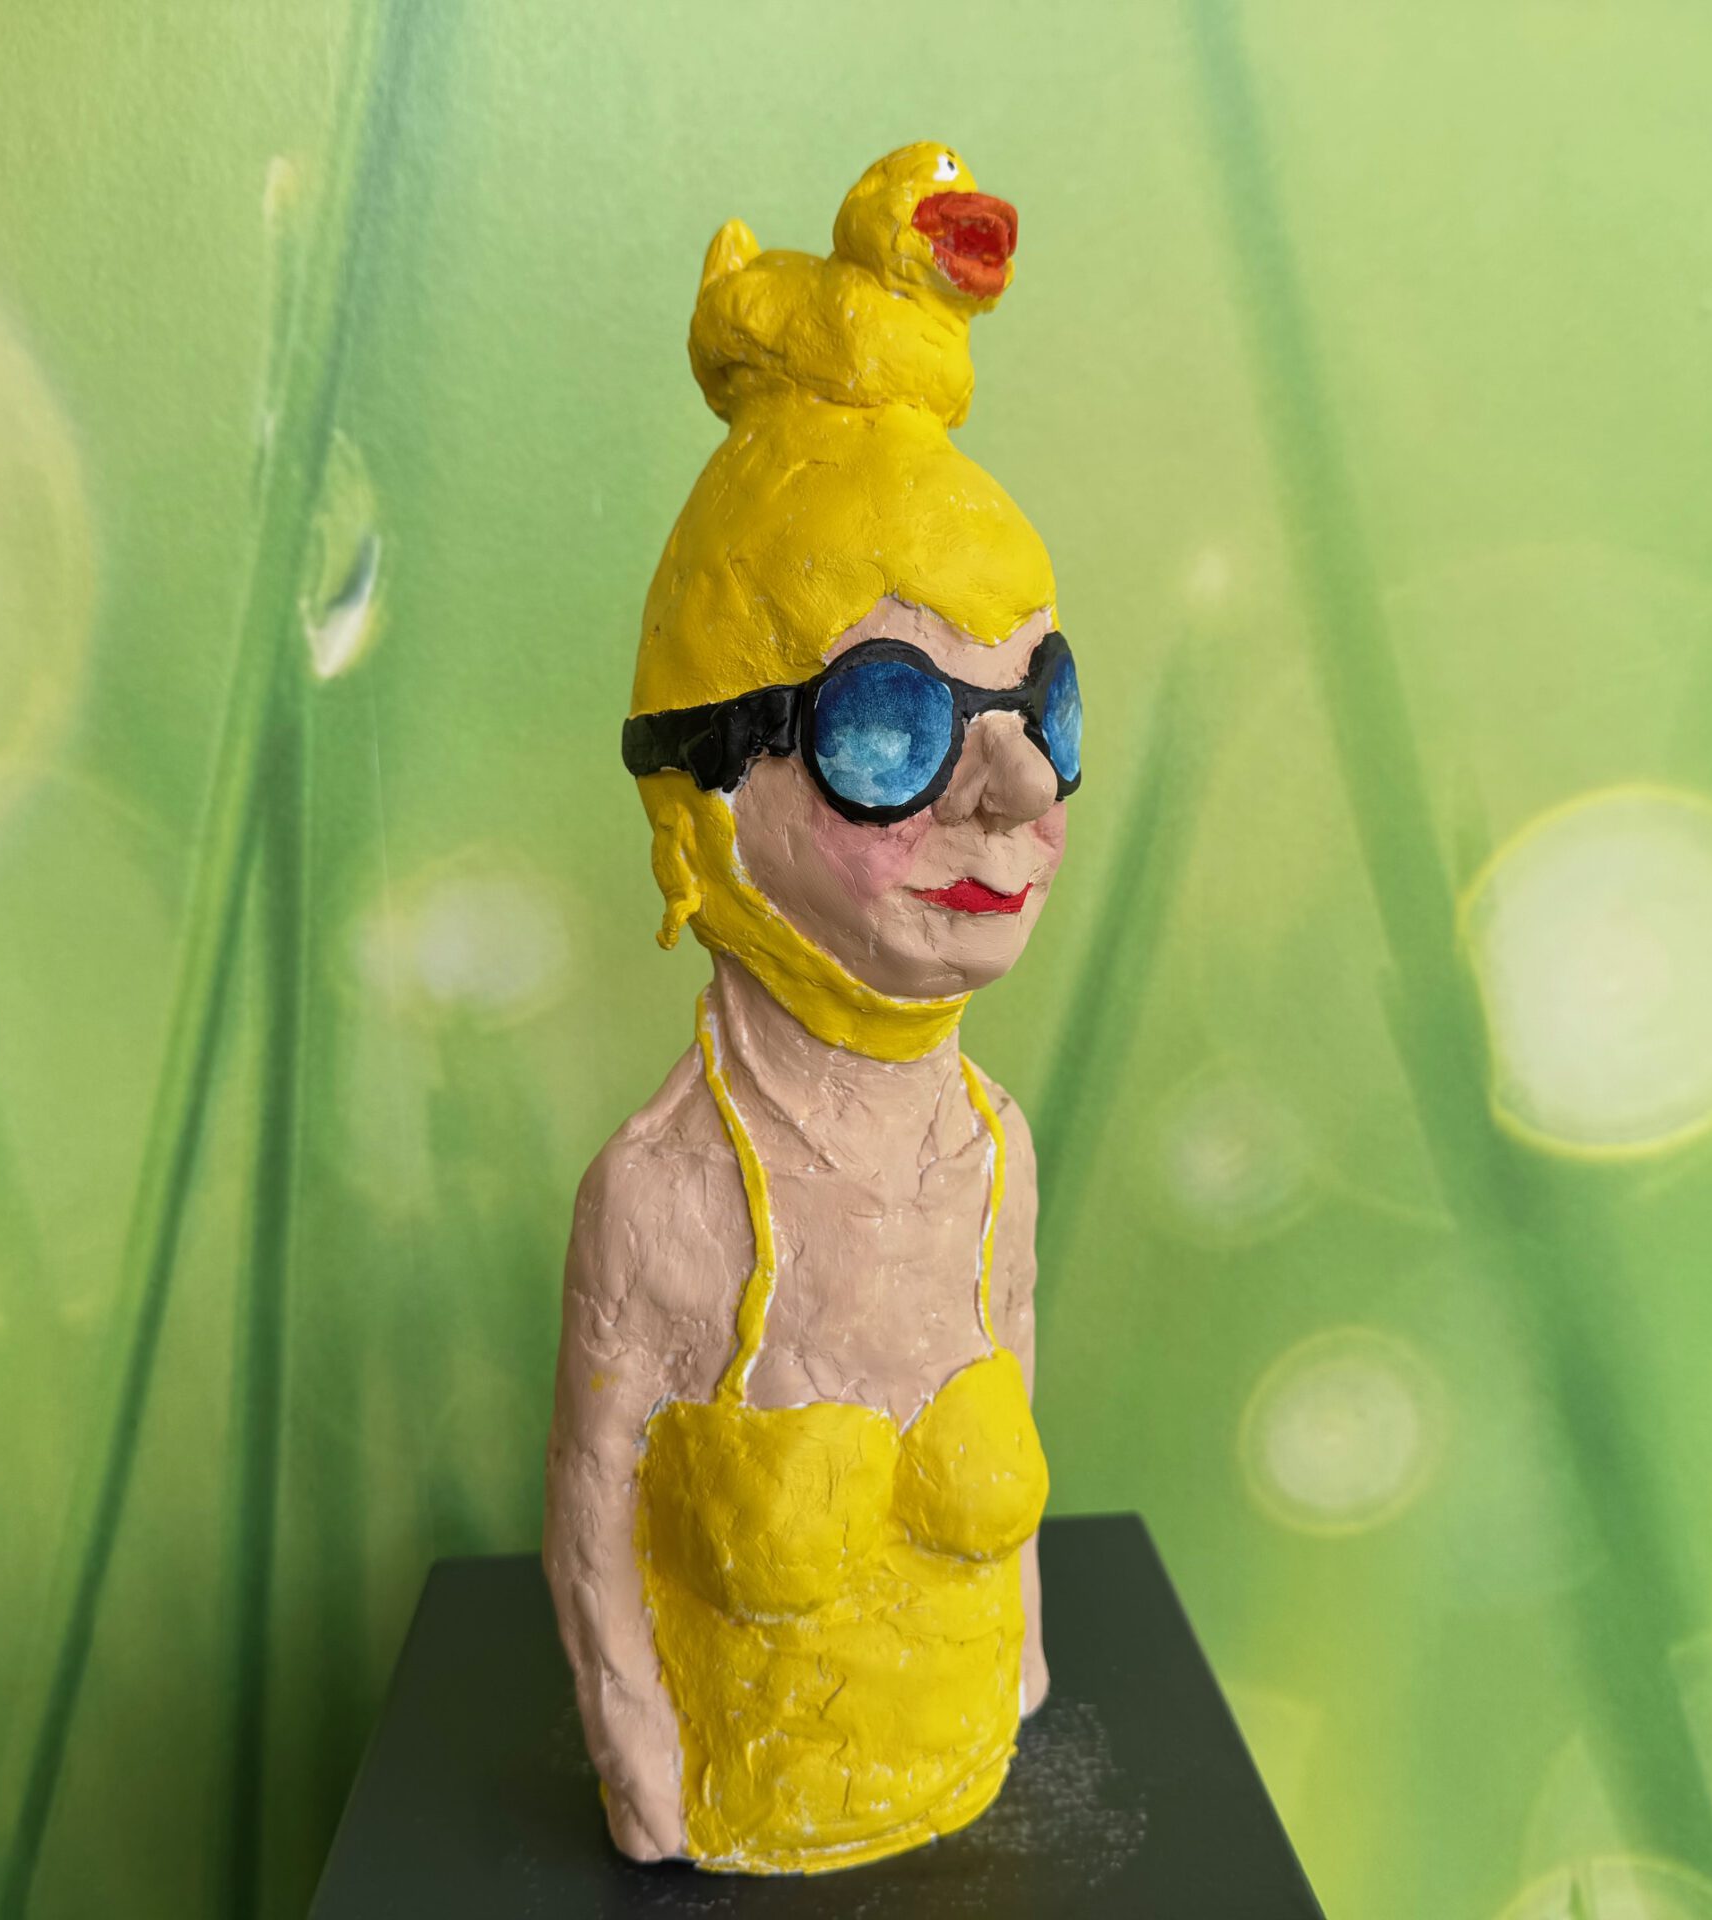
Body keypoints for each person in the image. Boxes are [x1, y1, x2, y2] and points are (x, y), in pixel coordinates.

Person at [542, 141, 1083, 1874]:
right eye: (892, 725)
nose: (1018, 793)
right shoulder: (668, 1201)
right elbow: (593, 1528)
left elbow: (1015, 1443)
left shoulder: (992, 1154)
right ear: (702, 794)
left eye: (1045, 706)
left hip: (978, 1805)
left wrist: (1027, 1673)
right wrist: (645, 1784)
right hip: (747, 1831)